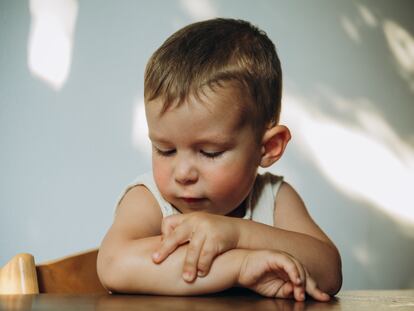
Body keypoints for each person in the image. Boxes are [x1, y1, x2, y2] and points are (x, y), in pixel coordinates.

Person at [97, 18, 342, 301]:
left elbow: (330, 272)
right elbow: (114, 265)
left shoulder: (273, 198)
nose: (183, 173)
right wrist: (240, 265)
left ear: (268, 147)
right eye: (165, 150)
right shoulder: (150, 199)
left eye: (209, 152)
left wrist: (238, 234)